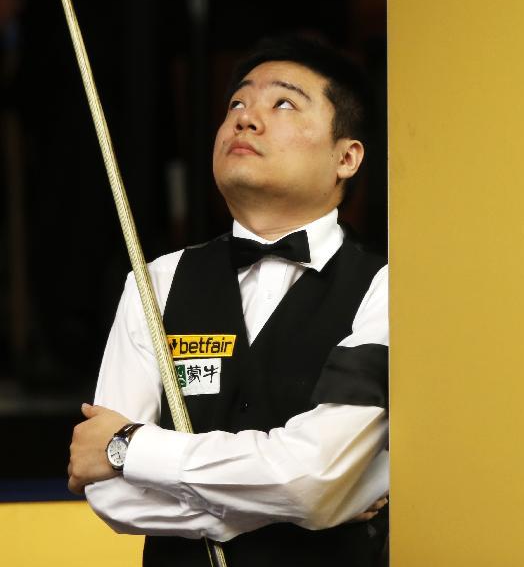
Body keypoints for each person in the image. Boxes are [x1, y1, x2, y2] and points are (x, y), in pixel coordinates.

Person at [66, 35, 389, 567]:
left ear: (347, 156)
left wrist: (130, 449)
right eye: (237, 103)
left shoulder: (387, 288)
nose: (246, 118)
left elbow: (311, 476)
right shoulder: (156, 280)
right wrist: (301, 504)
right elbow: (110, 494)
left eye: (283, 103)